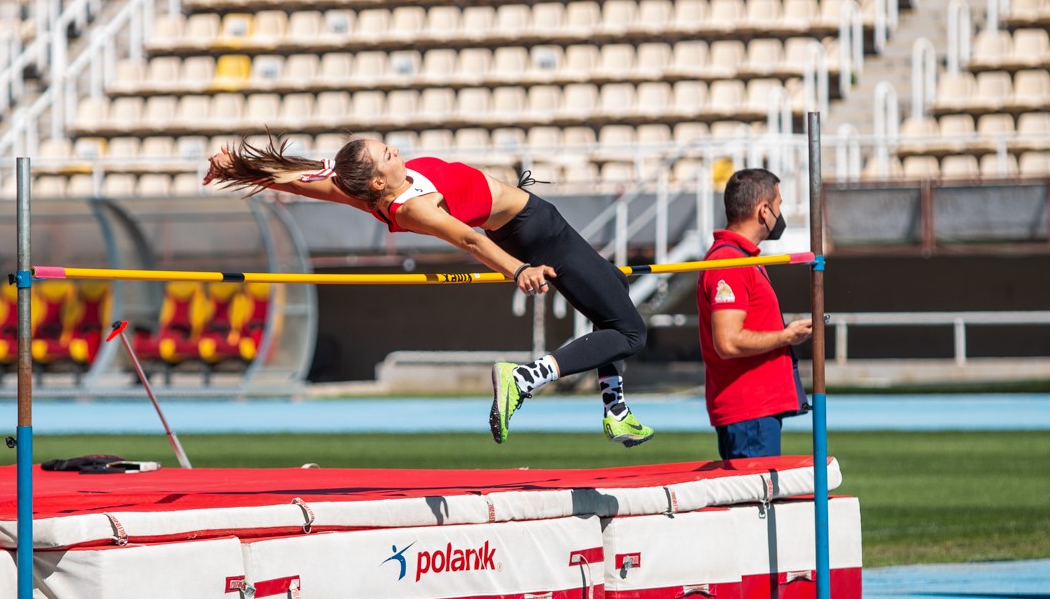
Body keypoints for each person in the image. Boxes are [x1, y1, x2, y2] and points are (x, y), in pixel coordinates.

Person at [203, 133, 653, 447]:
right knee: (631, 333)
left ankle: (615, 412)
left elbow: (294, 177)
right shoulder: (417, 207)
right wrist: (519, 271)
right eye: (387, 154)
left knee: (610, 289)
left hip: (530, 226)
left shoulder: (354, 187)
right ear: (379, 182)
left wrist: (233, 166)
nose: (396, 150)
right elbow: (470, 239)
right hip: (536, 231)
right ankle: (525, 377)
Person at [696, 168, 812, 460]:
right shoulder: (729, 262)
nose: (780, 212)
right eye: (779, 205)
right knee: (757, 503)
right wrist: (787, 335)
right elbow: (728, 342)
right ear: (764, 210)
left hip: (756, 410)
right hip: (749, 411)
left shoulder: (742, 258)